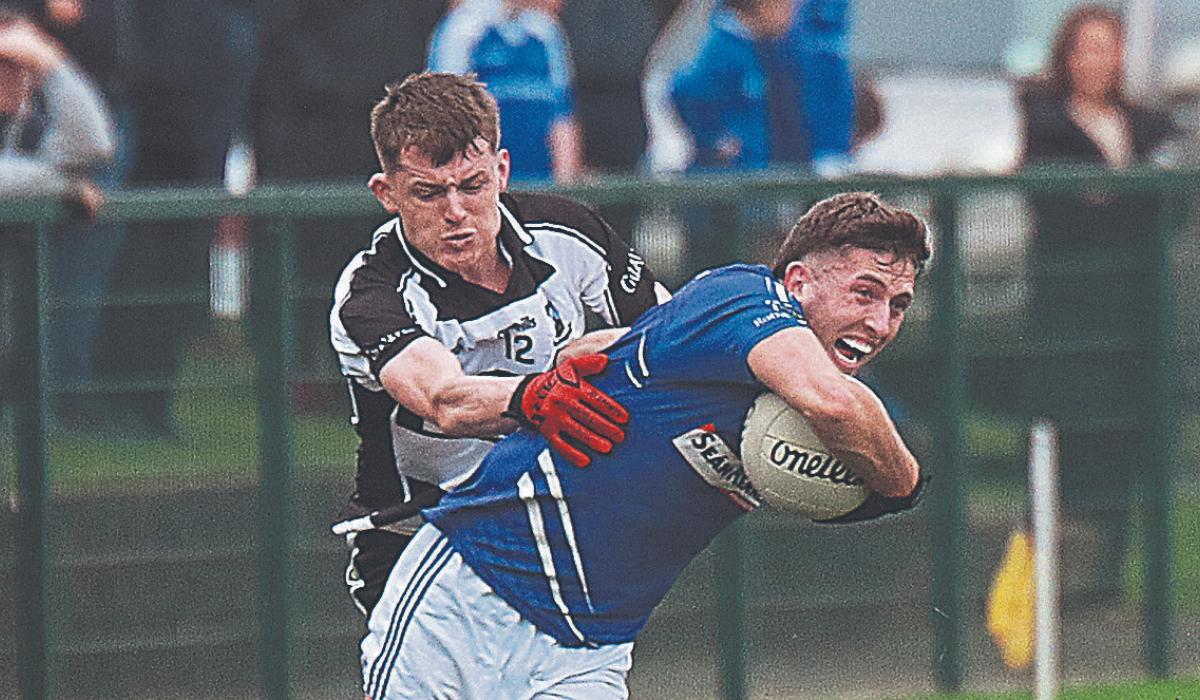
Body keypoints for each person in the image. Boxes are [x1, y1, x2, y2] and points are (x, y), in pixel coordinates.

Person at [361, 191, 930, 699]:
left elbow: (595, 351)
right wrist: (904, 486)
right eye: (865, 292)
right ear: (799, 282)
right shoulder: (744, 296)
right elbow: (835, 403)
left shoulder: (793, 399)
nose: (879, 322)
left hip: (590, 647)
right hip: (474, 589)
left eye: (897, 305)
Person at [329, 72, 669, 616]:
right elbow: (445, 399)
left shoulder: (570, 230)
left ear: (502, 171)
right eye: (428, 192)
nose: (456, 211)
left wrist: (595, 357)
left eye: (472, 185)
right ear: (386, 194)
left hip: (559, 525)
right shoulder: (370, 293)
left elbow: (669, 338)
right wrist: (537, 396)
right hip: (422, 543)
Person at [1017, 3, 1174, 599]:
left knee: (1125, 442)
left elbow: (1166, 205)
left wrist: (1110, 197)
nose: (1097, 62)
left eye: (1108, 48)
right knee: (1065, 435)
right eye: (1085, 48)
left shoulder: (1148, 123)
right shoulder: (1046, 118)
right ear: (1066, 56)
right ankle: (1050, 581)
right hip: (1069, 316)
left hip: (1133, 315)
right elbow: (1060, 204)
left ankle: (1108, 577)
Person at [0, 5, 116, 428]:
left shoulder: (22, 128)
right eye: (9, 63)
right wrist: (62, 185)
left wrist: (55, 65)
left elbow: (96, 145)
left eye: (26, 64)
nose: (21, 75)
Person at [426, 0, 584, 183]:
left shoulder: (546, 30)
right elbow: (444, 114)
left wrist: (565, 185)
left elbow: (562, 115)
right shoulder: (463, 27)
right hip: (486, 184)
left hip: (540, 180)